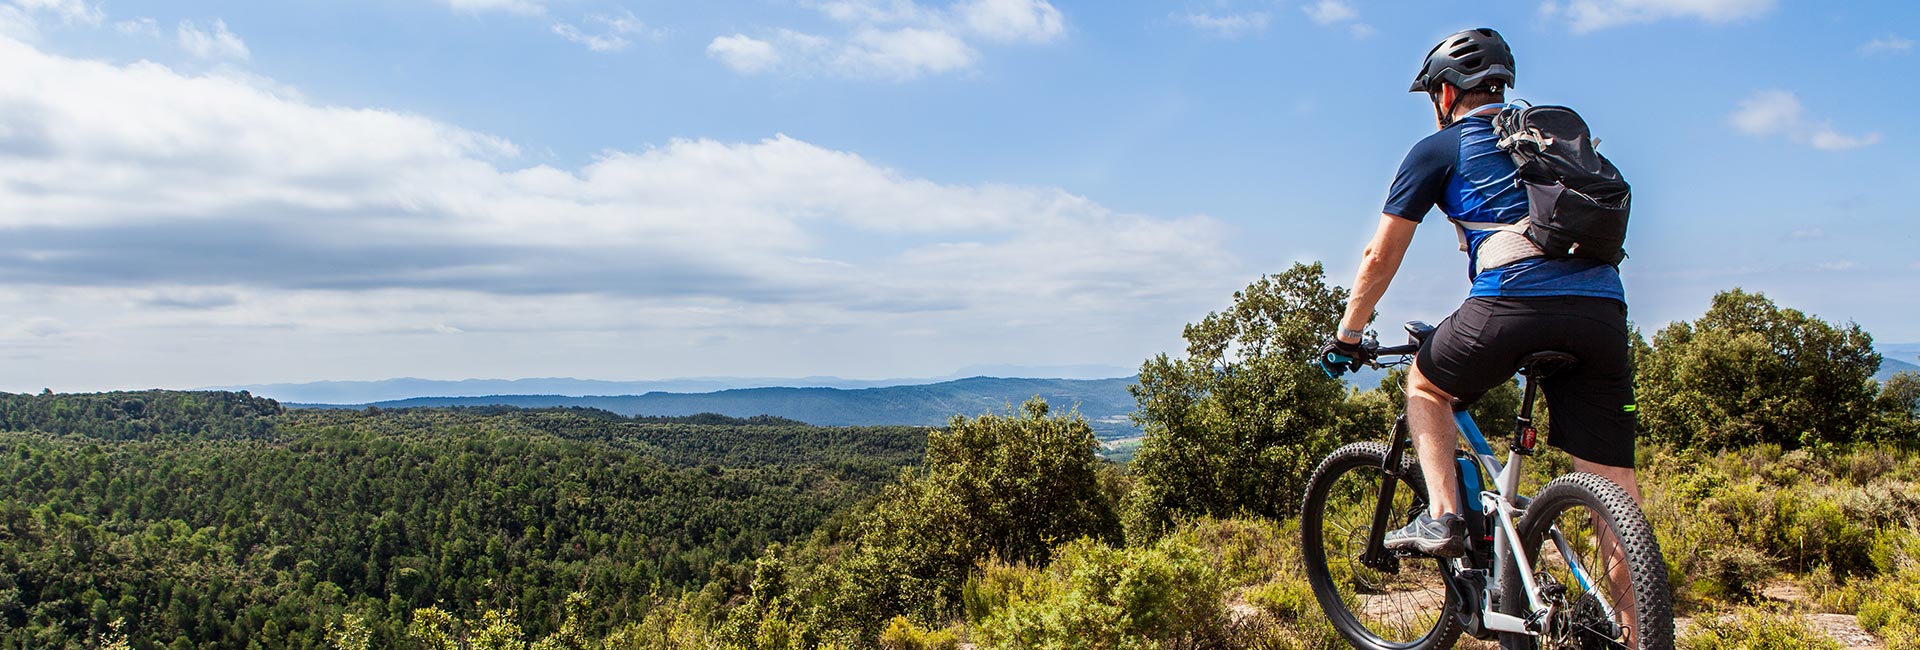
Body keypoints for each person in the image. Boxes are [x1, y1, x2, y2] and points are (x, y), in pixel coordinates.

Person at [1319, 27, 1640, 558]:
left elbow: (1380, 255)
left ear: (1445, 94)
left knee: (1425, 385)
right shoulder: (1549, 146)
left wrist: (1348, 334)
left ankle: (1443, 518)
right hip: (1604, 310)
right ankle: (1639, 634)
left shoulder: (1441, 147)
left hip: (1511, 305)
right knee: (1616, 497)